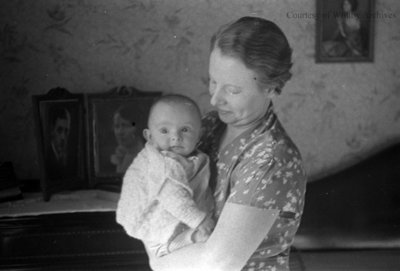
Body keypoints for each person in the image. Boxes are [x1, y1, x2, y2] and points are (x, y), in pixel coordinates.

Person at [146, 17, 307, 271]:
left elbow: (219, 262)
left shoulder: (273, 160)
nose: (214, 98)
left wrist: (157, 258)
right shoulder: (210, 126)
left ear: (272, 88)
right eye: (212, 81)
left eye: (232, 90)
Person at [116, 94, 215, 258]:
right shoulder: (162, 163)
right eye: (164, 130)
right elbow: (172, 196)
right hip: (148, 219)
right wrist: (200, 220)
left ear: (199, 135)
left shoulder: (193, 157)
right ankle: (180, 241)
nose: (176, 137)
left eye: (185, 129)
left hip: (178, 213)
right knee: (164, 243)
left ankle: (187, 237)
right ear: (149, 136)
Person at [110, 105, 144, 174]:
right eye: (116, 126)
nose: (120, 132)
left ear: (137, 128)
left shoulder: (142, 157)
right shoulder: (119, 154)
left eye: (126, 126)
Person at [46, 107, 75, 179]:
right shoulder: (46, 158)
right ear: (52, 130)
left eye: (66, 131)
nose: (63, 137)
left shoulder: (68, 159)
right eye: (59, 130)